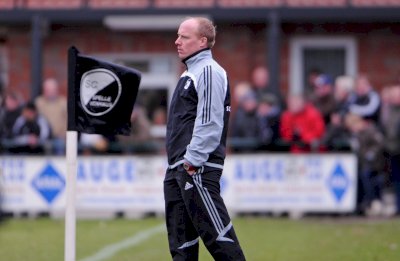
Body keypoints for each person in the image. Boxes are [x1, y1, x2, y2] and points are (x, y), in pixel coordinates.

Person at [164, 17, 246, 260]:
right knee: (182, 248)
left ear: (202, 41)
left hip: (196, 168)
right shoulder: (191, 72)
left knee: (220, 240)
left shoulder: (209, 71)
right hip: (178, 168)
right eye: (178, 35)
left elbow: (210, 121)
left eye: (184, 37)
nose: (177, 41)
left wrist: (192, 162)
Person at [345, 113, 385, 216]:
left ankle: (373, 202)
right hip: (363, 163)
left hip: (374, 164)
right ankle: (365, 204)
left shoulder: (370, 130)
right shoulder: (357, 134)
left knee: (368, 180)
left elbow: (379, 144)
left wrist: (372, 153)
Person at [35, 78, 67, 154]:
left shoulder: (63, 102)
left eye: (52, 90)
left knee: (60, 148)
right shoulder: (38, 102)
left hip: (60, 137)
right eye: (48, 90)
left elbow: (67, 120)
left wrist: (65, 134)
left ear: (57, 90)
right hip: (43, 137)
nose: (50, 92)